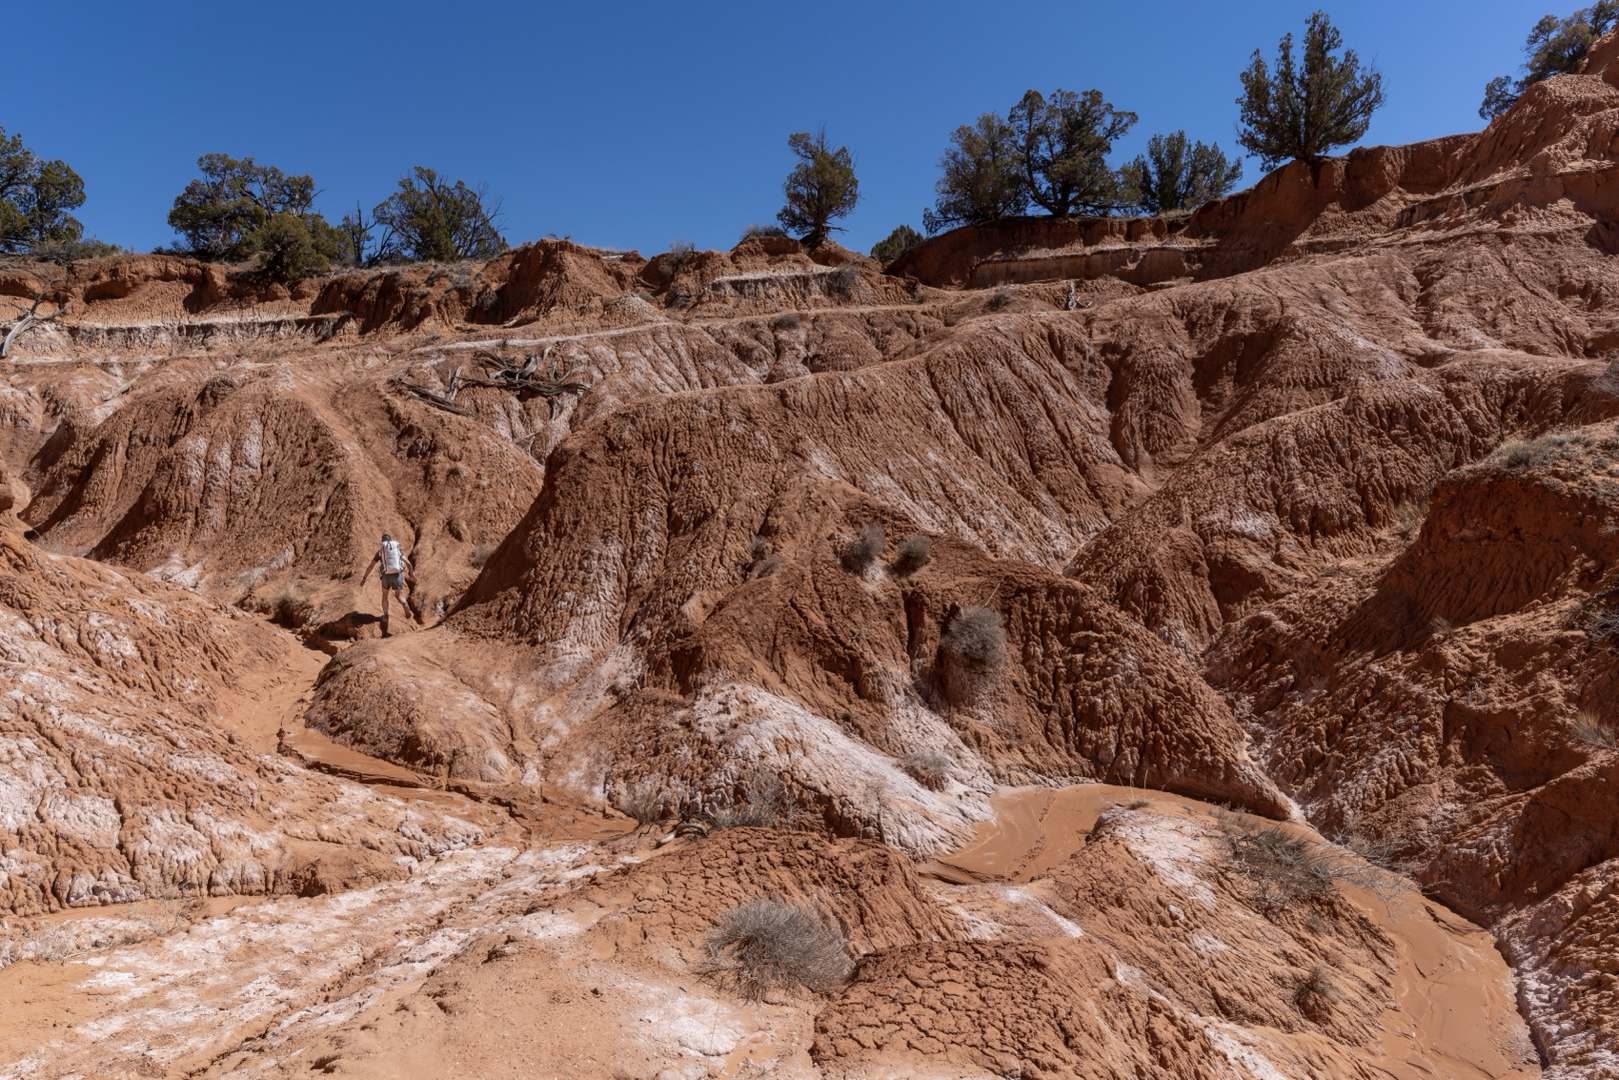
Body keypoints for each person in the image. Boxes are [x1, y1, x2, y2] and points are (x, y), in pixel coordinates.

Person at [360, 532, 413, 623]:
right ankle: (404, 603)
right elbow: (407, 563)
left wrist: (364, 577)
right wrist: (412, 574)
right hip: (397, 575)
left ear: (382, 542)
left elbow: (371, 566)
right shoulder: (397, 550)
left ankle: (385, 614)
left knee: (385, 595)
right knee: (398, 595)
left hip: (386, 576)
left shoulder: (380, 552)